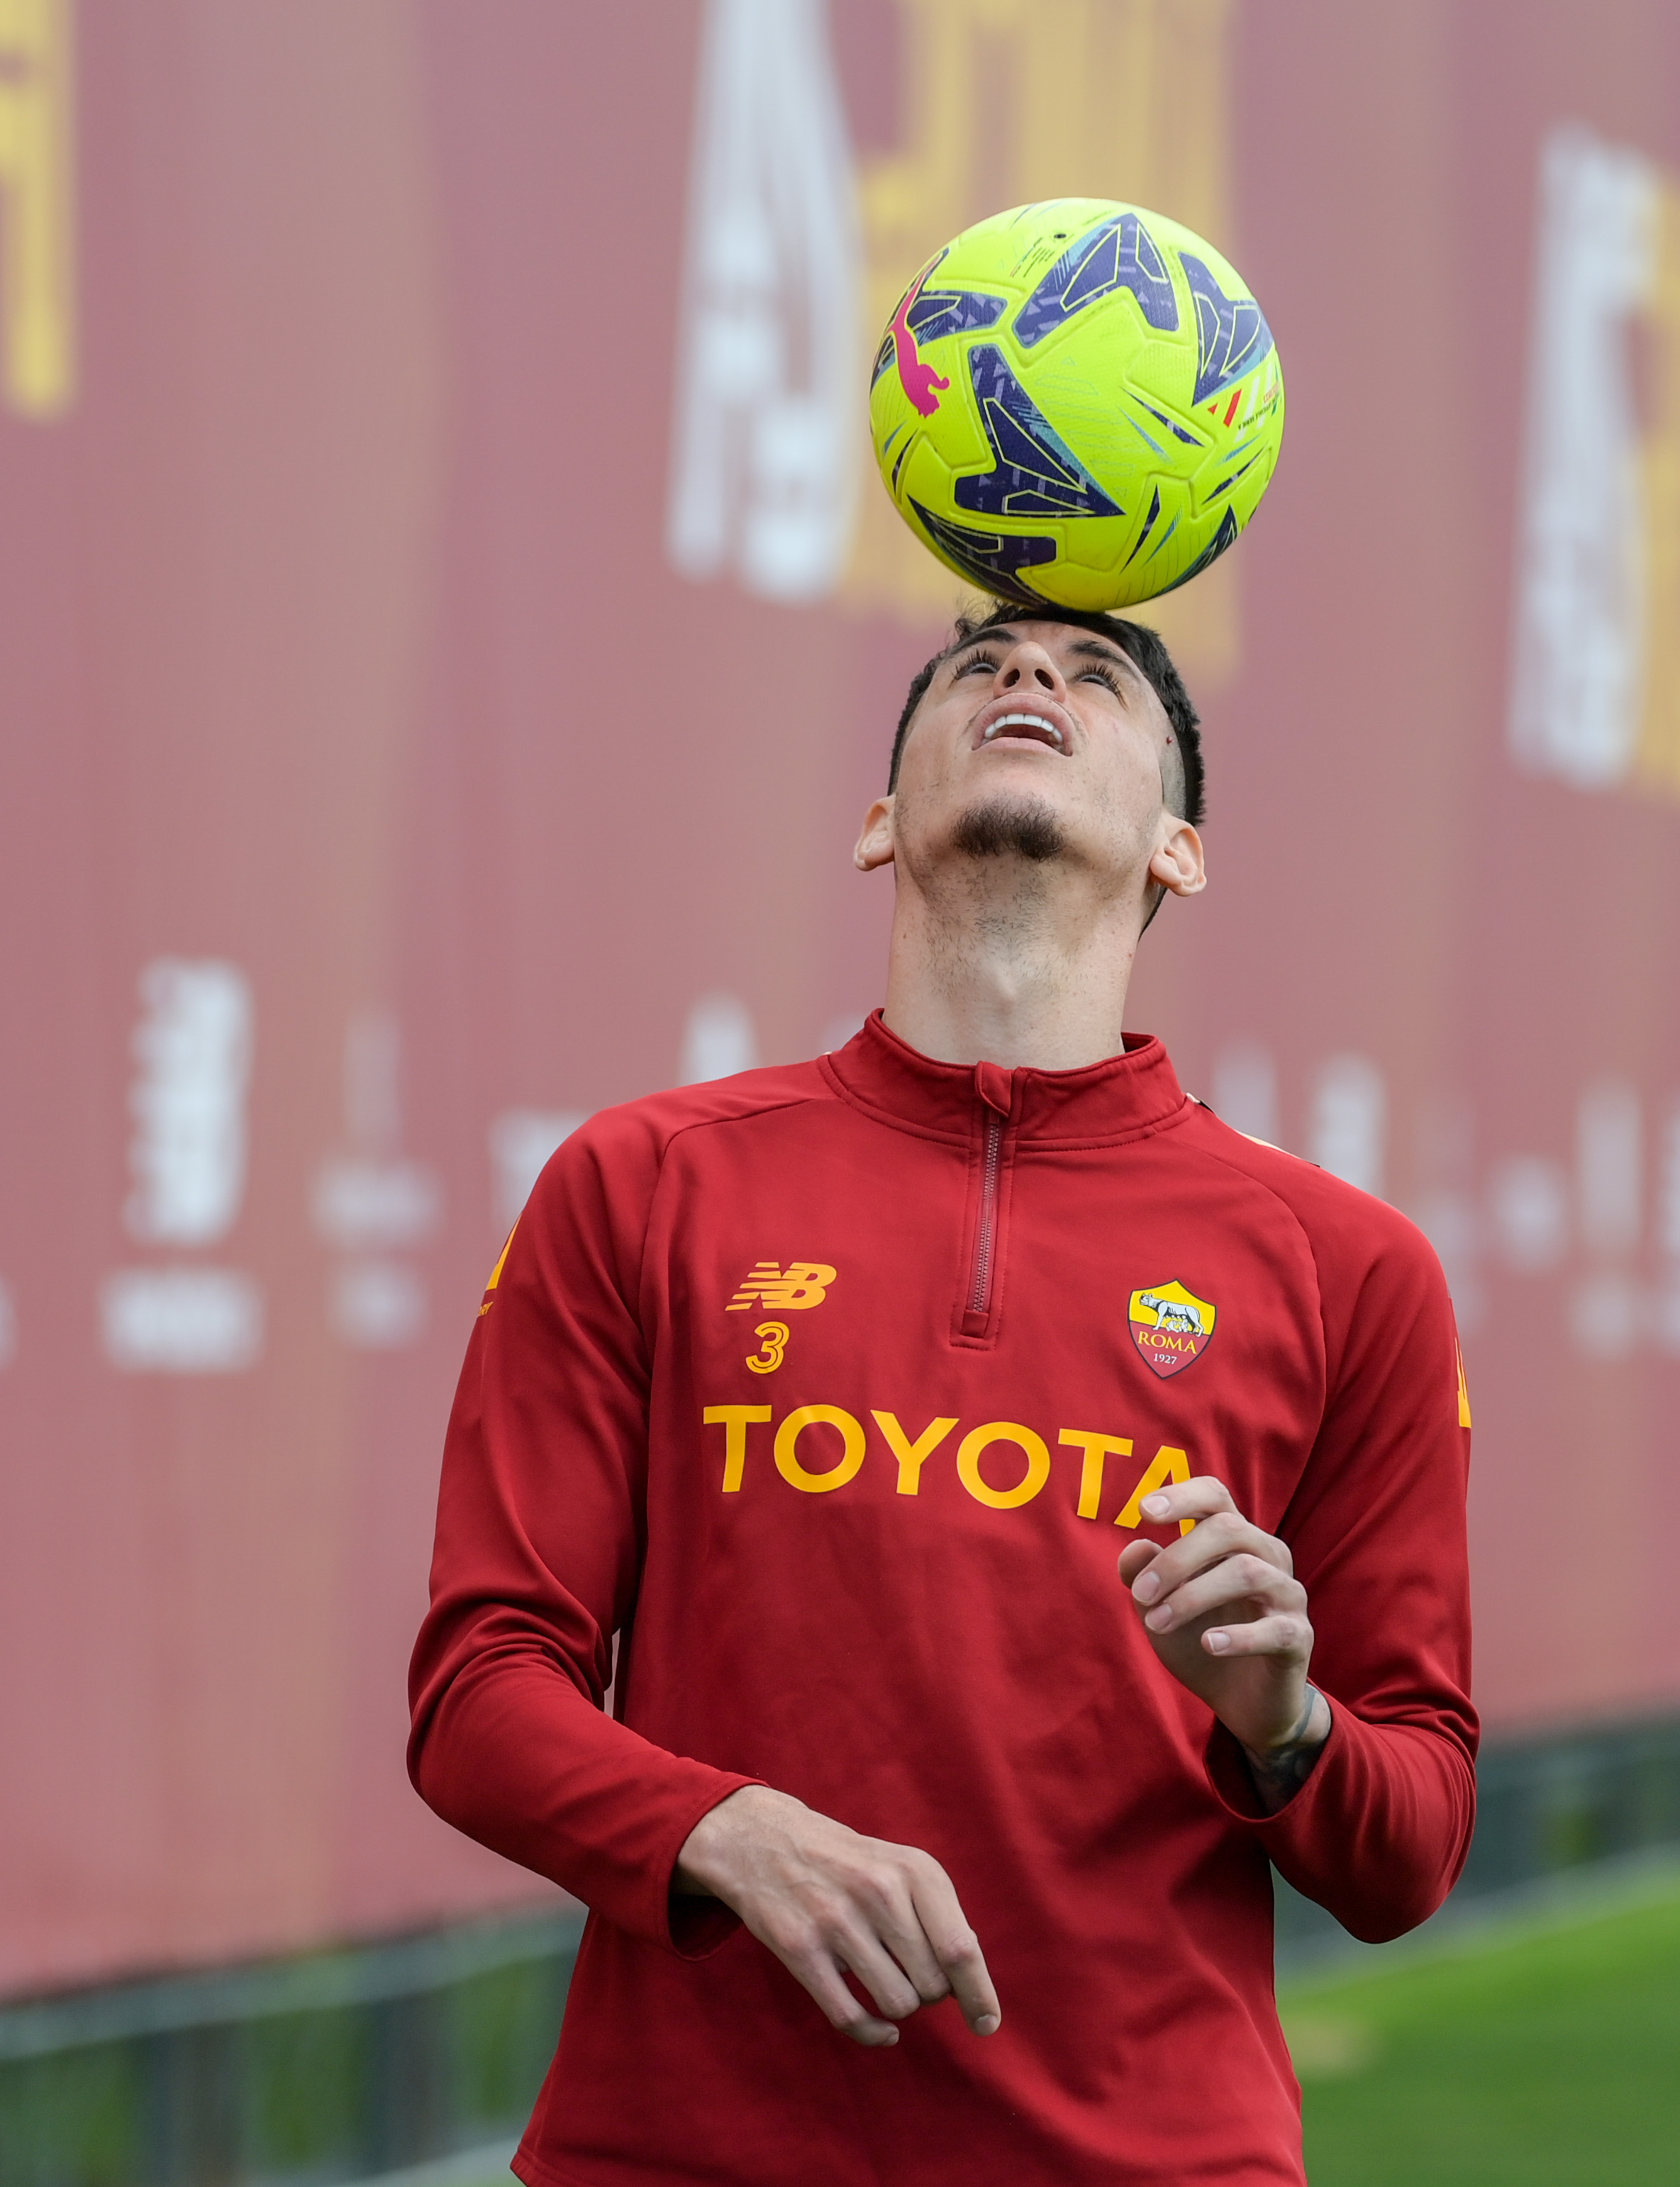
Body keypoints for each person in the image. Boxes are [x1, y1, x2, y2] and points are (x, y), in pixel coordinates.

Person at [407, 598, 1478, 2186]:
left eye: (1096, 677)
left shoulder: (1350, 1269)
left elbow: (1415, 1844)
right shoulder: (638, 1185)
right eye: (982, 668)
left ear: (1178, 849)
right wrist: (722, 1834)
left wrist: (1282, 1722)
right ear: (879, 824)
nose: (1031, 675)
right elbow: (477, 1697)